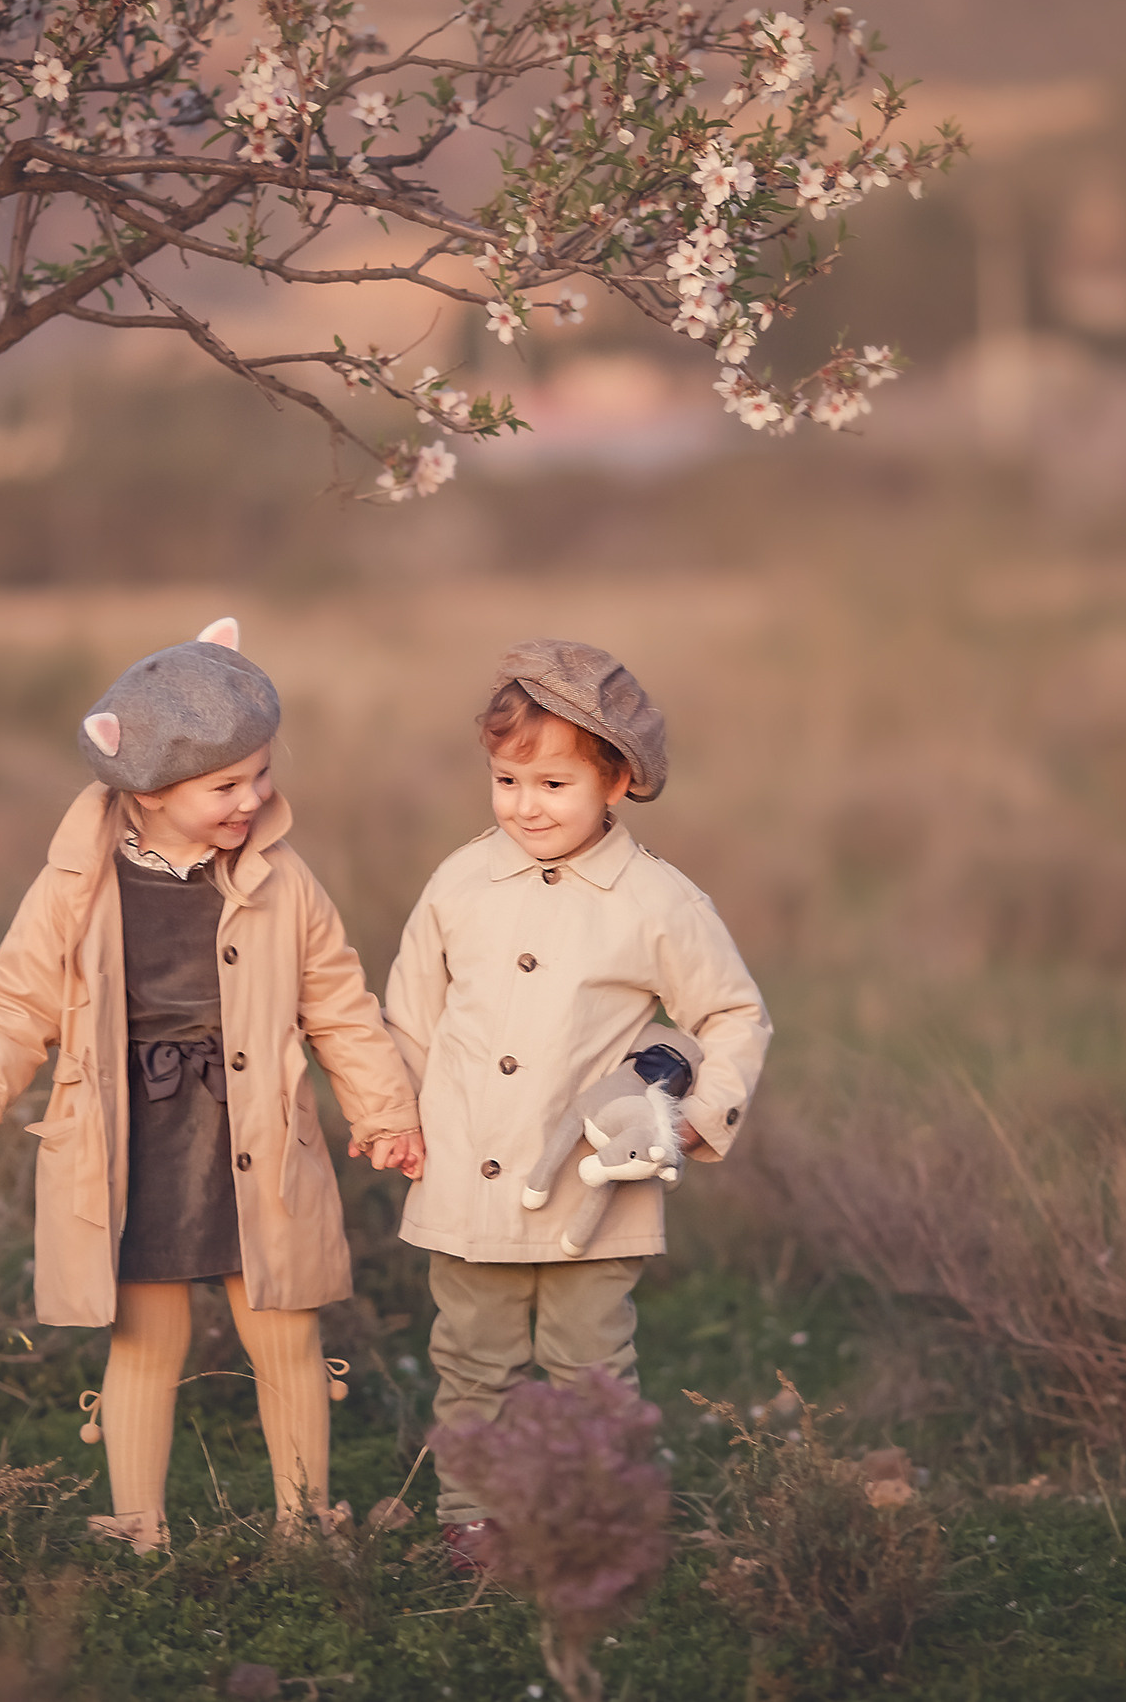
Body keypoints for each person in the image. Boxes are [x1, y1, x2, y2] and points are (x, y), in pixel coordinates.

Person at [0, 618, 425, 1552]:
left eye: (261, 774)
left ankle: (304, 1521)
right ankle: (137, 1524)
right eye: (225, 785)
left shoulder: (283, 879)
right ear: (143, 790)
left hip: (257, 1131)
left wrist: (385, 1112)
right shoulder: (74, 885)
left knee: (284, 1331)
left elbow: (339, 1005)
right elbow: (17, 999)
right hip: (134, 1139)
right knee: (144, 1341)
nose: (252, 798)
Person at [383, 638, 771, 1564]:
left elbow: (732, 1012)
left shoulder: (656, 900)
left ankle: (598, 1516)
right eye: (508, 781)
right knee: (470, 1357)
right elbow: (409, 1014)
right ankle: (471, 1515)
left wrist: (685, 1117)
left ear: (617, 782)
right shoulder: (459, 882)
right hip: (467, 1180)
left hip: (595, 1190)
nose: (527, 806)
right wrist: (394, 1115)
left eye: (554, 785)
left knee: (590, 1364)